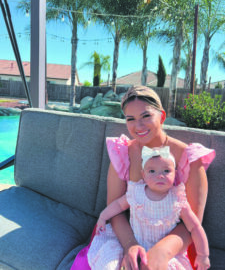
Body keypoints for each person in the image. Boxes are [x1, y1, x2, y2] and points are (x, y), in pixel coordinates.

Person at [71, 85, 215, 270]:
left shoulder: (189, 158)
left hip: (173, 243)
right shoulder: (122, 152)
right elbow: (115, 209)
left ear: (162, 116)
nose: (138, 126)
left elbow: (192, 224)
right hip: (126, 234)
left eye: (146, 116)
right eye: (130, 119)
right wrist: (130, 245)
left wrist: (162, 252)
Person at [88, 146, 210, 270]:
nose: (160, 176)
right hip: (134, 242)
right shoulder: (136, 192)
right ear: (143, 175)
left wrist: (203, 254)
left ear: (175, 174)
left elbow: (195, 227)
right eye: (152, 171)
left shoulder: (178, 199)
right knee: (111, 264)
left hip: (163, 254)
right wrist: (103, 216)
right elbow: (118, 205)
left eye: (166, 171)